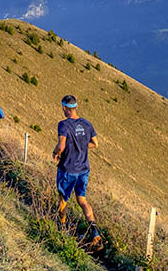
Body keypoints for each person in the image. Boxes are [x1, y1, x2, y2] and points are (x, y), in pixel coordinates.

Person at [52, 94, 101, 248]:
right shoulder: (87, 124)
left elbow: (61, 145)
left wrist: (56, 152)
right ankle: (95, 231)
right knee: (82, 200)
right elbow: (95, 143)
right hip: (84, 169)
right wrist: (81, 145)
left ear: (65, 108)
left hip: (68, 169)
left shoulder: (64, 124)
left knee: (63, 199)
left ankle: (63, 227)